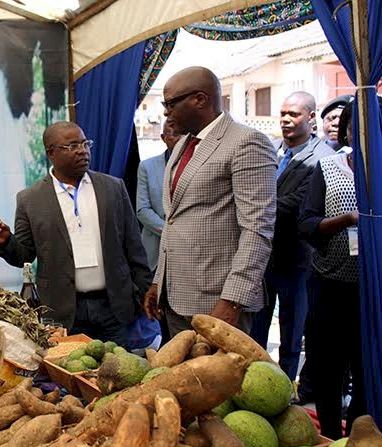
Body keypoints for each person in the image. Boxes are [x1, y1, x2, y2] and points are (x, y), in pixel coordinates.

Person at [0, 121, 151, 347]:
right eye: (72, 146)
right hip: (65, 313)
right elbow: (24, 256)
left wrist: (142, 294)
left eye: (85, 143)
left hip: (114, 308)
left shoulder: (113, 188)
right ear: (51, 153)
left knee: (122, 375)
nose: (83, 150)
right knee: (70, 376)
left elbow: (134, 247)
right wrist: (6, 242)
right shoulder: (30, 199)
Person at [144, 66, 277, 336]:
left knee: (218, 379)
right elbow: (175, 220)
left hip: (217, 303)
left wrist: (232, 300)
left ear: (200, 100)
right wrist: (160, 281)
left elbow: (257, 230)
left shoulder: (246, 143)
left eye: (170, 104)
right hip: (176, 299)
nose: (166, 112)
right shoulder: (184, 144)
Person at [299, 99, 373, 438]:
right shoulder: (328, 168)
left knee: (368, 367)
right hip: (331, 286)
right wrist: (346, 220)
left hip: (374, 289)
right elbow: (307, 223)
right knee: (330, 369)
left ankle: (362, 432)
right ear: (347, 129)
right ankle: (330, 436)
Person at [250, 92, 334, 381]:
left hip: (297, 259)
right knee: (255, 328)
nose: (286, 119)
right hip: (262, 255)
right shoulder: (270, 149)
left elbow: (299, 203)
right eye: (283, 113)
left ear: (311, 117)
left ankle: (284, 388)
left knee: (291, 330)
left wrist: (255, 205)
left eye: (294, 114)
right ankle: (253, 383)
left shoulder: (323, 158)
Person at [136, 118, 182, 274]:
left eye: (184, 134)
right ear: (163, 138)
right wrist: (170, 232)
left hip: (190, 250)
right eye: (174, 134)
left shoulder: (200, 165)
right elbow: (142, 210)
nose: (180, 139)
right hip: (155, 249)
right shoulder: (147, 167)